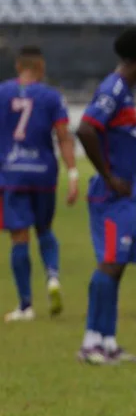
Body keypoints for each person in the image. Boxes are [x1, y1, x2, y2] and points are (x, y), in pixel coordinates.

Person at [76, 28, 136, 365]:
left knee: (118, 266)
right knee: (109, 263)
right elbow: (85, 128)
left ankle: (108, 342)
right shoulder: (113, 89)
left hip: (127, 195)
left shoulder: (125, 91)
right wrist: (109, 176)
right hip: (112, 196)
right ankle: (90, 342)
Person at [0, 46, 79, 322]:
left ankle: (25, 306)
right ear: (41, 67)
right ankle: (53, 277)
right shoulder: (51, 96)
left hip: (12, 173)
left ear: (18, 66)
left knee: (19, 236)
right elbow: (63, 135)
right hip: (44, 174)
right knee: (45, 229)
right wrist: (73, 174)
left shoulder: (2, 93)